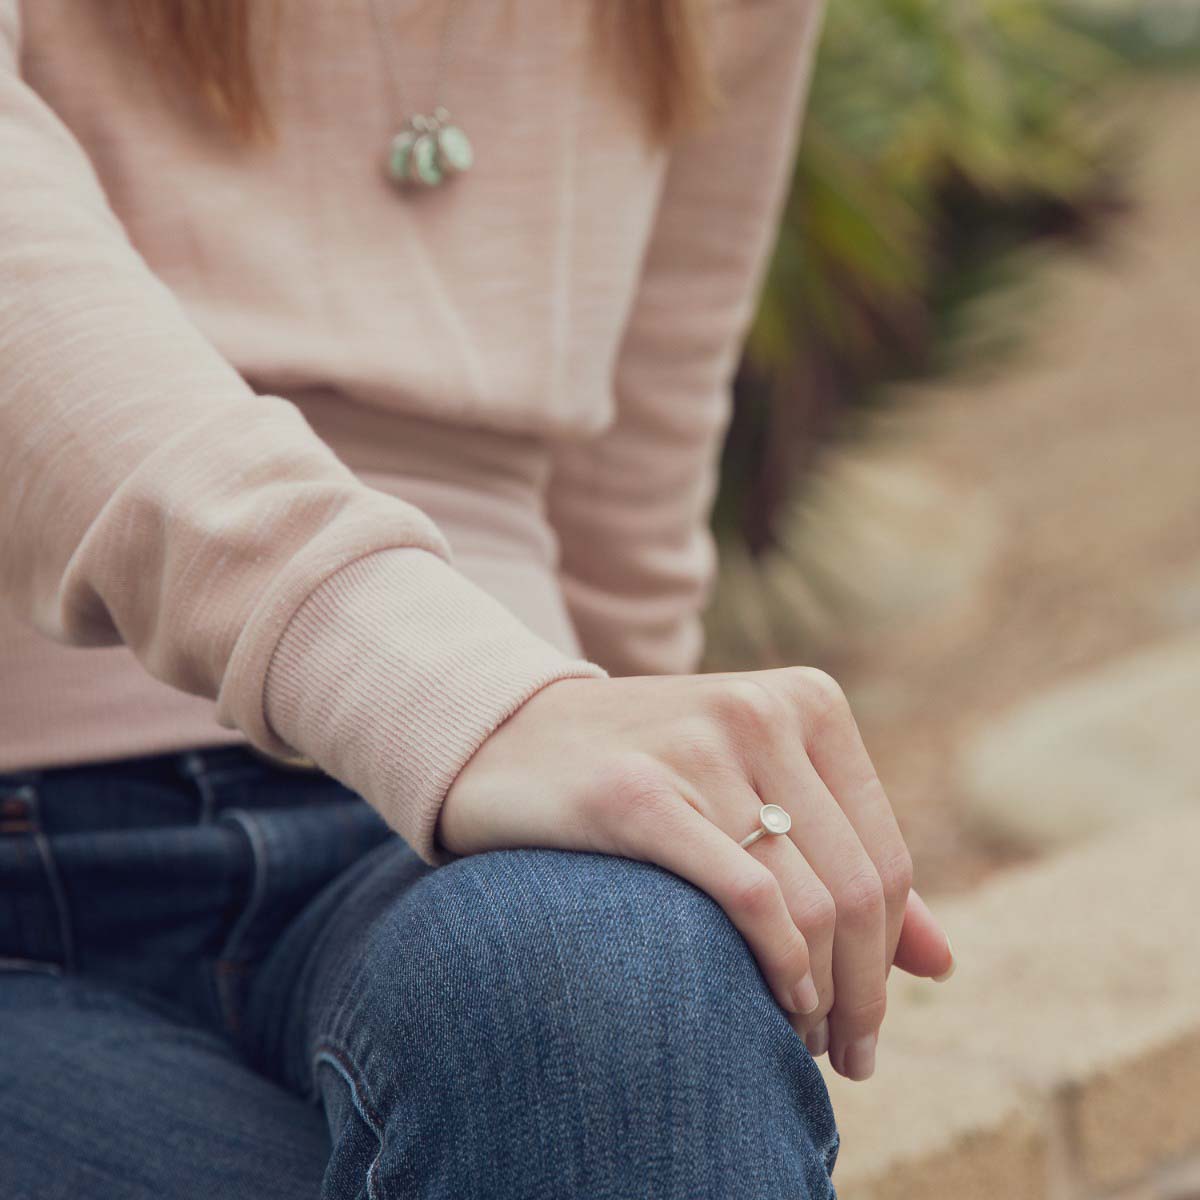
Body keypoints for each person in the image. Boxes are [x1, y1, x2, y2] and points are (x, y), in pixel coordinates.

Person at [0, 1, 954, 1196]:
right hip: (437, 731)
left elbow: (633, 478)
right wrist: (474, 703)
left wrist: (662, 842)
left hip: (454, 820)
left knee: (616, 994)